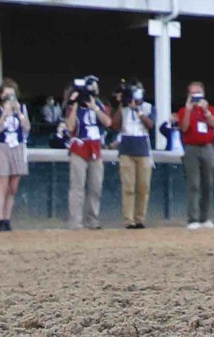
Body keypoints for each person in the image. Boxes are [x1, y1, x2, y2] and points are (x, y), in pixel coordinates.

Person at [63, 77, 110, 231]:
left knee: (95, 187)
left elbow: (107, 122)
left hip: (95, 149)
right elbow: (70, 127)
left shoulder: (100, 105)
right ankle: (75, 222)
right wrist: (75, 103)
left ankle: (92, 220)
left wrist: (94, 107)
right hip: (79, 148)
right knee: (77, 187)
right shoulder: (73, 106)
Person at [175, 80, 214, 229]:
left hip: (207, 147)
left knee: (208, 184)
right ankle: (193, 218)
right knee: (193, 184)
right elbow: (184, 127)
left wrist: (206, 110)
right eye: (192, 93)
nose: (195, 96)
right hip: (191, 148)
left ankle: (205, 217)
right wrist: (188, 109)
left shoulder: (211, 109)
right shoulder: (183, 111)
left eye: (197, 93)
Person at [113, 79, 156, 228]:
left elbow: (150, 125)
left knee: (143, 186)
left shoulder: (148, 107)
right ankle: (128, 219)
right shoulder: (123, 108)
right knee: (128, 186)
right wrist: (121, 104)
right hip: (126, 148)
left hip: (143, 147)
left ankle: (140, 218)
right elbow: (115, 125)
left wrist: (138, 110)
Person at [0, 81, 30, 231]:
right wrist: (4, 115)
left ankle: (8, 218)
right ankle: (0, 219)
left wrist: (19, 112)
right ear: (1, 95)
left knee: (13, 187)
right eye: (6, 94)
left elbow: (27, 127)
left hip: (18, 147)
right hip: (3, 147)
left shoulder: (22, 109)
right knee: (3, 184)